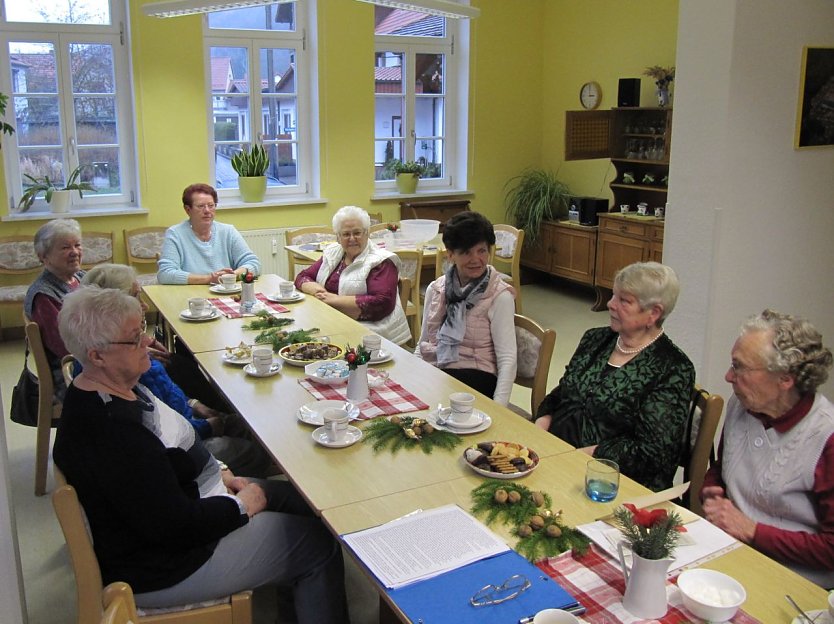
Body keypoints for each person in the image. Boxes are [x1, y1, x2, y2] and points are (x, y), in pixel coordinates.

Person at [53, 287, 349, 621]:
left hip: (192, 503)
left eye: (142, 330)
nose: (147, 341)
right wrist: (240, 506)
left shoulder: (120, 388)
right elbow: (175, 526)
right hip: (167, 564)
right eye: (134, 338)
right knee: (317, 544)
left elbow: (176, 448)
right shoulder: (112, 432)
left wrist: (220, 471)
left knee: (303, 503)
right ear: (97, 356)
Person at [81, 263, 274, 477]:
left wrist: (195, 404)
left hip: (188, 421)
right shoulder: (125, 365)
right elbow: (166, 435)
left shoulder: (115, 348)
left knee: (253, 426)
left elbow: (168, 395)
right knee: (262, 451)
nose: (145, 305)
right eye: (136, 296)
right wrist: (209, 425)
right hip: (186, 446)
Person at [701, 309, 834, 588]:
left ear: (785, 378)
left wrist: (753, 531)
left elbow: (831, 548)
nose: (728, 376)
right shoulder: (742, 404)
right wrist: (712, 490)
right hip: (728, 552)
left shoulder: (825, 437)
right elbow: (723, 468)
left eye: (739, 367)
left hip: (792, 582)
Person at [534, 261, 694, 491]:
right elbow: (563, 392)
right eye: (613, 295)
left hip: (612, 484)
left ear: (653, 313)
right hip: (555, 459)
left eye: (624, 300)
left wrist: (587, 455)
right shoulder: (595, 339)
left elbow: (654, 453)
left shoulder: (672, 368)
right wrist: (542, 424)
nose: (610, 304)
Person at [415, 211, 517, 406]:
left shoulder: (499, 296)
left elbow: (508, 358)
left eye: (482, 251)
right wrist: (413, 376)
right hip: (438, 367)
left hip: (477, 375)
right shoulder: (436, 289)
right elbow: (423, 342)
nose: (475, 259)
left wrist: (499, 408)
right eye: (466, 252)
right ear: (450, 254)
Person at [294, 205, 411, 344]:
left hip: (372, 334)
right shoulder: (333, 252)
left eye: (357, 233)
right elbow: (302, 277)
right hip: (333, 320)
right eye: (346, 234)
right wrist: (317, 290)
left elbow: (382, 303)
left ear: (367, 233)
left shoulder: (381, 261)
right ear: (338, 237)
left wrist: (333, 300)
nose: (352, 238)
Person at [23, 219, 85, 401]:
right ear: (44, 256)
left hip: (90, 359)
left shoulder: (81, 277)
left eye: (77, 245)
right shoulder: (44, 296)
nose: (75, 252)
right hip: (70, 373)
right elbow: (66, 347)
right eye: (65, 247)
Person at [157, 183, 260, 285]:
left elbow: (253, 263)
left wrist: (231, 276)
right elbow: (165, 274)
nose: (207, 211)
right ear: (188, 210)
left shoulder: (228, 231)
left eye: (211, 206)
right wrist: (209, 279)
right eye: (201, 206)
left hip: (226, 290)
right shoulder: (175, 234)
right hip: (191, 293)